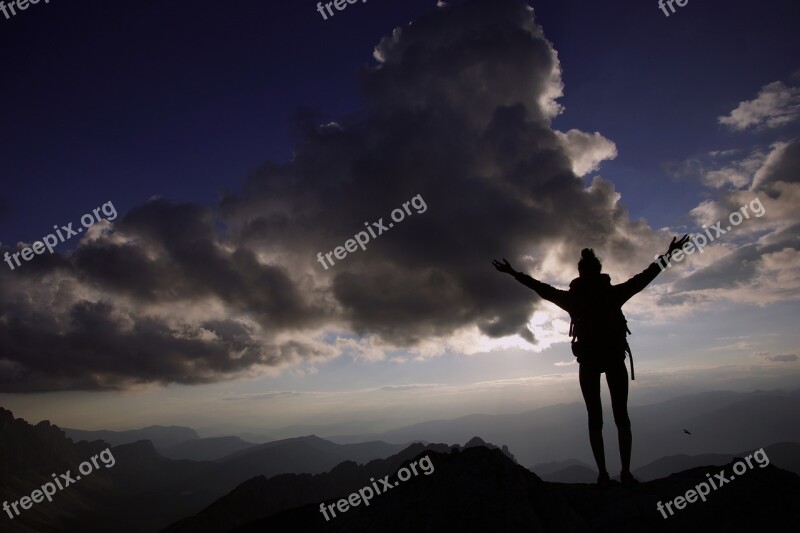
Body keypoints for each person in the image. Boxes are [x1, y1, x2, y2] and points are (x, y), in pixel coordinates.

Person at [492, 235, 689, 487]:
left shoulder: (573, 300)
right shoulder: (613, 294)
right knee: (622, 418)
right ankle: (626, 474)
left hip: (588, 362)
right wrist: (669, 254)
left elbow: (540, 288)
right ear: (599, 271)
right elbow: (645, 277)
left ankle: (603, 475)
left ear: (580, 273)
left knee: (594, 419)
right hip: (614, 359)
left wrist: (513, 273)